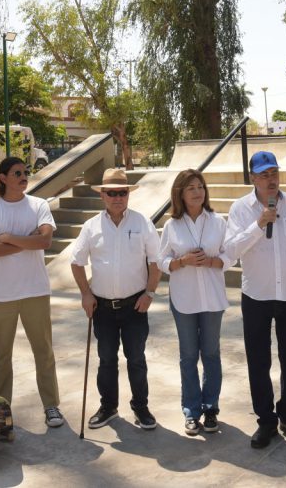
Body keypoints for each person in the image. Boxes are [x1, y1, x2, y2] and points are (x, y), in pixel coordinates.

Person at [225, 151, 286, 449]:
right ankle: (265, 421)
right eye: (265, 175)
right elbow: (229, 252)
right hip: (256, 295)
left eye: (275, 173)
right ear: (253, 178)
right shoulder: (241, 209)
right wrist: (258, 224)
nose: (271, 180)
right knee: (258, 360)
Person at [71, 168, 162, 431]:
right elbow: (76, 263)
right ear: (102, 195)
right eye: (111, 193)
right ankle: (108, 407)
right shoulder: (91, 227)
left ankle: (141, 407)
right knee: (107, 359)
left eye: (122, 192)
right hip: (103, 308)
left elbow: (155, 263)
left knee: (136, 359)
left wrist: (150, 293)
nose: (117, 197)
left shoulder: (142, 223)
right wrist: (85, 294)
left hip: (135, 305)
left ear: (128, 194)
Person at [0, 156, 64, 428]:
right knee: (0, 356)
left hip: (35, 292)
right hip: (0, 295)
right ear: (3, 177)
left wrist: (9, 237)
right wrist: (28, 242)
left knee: (44, 351)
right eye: (17, 172)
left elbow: (46, 240)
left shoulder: (39, 205)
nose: (23, 176)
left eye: (26, 172)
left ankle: (51, 406)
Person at [157, 169, 233, 436]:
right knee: (188, 356)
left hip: (213, 298)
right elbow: (161, 261)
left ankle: (211, 408)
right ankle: (191, 411)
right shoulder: (171, 226)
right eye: (191, 188)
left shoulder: (218, 221)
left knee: (211, 354)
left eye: (200, 186)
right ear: (180, 193)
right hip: (184, 300)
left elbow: (231, 254)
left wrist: (213, 262)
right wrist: (182, 262)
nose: (198, 192)